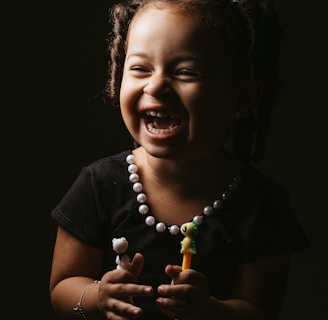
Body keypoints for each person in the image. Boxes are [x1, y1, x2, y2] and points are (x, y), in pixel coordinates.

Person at [49, 0, 310, 319]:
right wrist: (97, 297)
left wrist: (211, 310)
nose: (156, 84)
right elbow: (62, 286)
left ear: (241, 99)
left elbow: (260, 310)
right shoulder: (97, 185)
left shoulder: (262, 206)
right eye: (140, 68)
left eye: (185, 71)